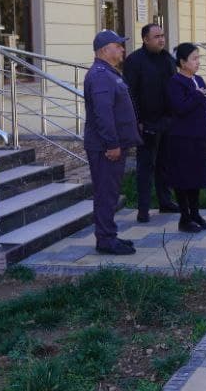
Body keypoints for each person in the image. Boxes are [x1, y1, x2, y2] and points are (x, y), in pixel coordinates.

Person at [82, 29, 141, 255]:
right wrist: (112, 144)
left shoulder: (107, 72)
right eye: (118, 46)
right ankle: (106, 240)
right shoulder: (100, 75)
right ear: (105, 50)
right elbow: (103, 113)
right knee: (106, 193)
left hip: (109, 145)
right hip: (105, 148)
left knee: (110, 192)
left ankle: (109, 234)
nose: (122, 49)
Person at [123, 23, 179, 222]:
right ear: (145, 39)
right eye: (156, 37)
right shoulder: (134, 61)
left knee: (164, 164)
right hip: (146, 123)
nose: (161, 39)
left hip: (167, 121)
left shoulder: (168, 59)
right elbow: (130, 94)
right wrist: (137, 120)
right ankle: (143, 208)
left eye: (162, 35)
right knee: (145, 166)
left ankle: (165, 201)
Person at [165, 43, 206, 233]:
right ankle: (184, 218)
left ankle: (195, 214)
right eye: (193, 58)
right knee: (183, 179)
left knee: (196, 178)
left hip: (199, 137)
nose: (197, 62)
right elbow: (180, 107)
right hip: (182, 138)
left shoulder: (199, 79)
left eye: (198, 58)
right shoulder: (175, 82)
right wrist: (196, 96)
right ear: (182, 62)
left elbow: (204, 107)